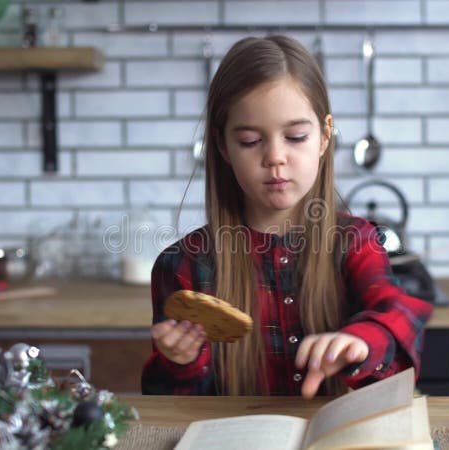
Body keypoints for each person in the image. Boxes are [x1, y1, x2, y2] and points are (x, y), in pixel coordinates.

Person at [141, 35, 433, 398]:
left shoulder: (356, 243)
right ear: (223, 146)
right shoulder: (182, 265)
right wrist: (180, 362)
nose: (275, 157)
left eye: (295, 136)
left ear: (325, 137)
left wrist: (361, 342)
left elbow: (398, 316)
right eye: (250, 141)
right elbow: (166, 407)